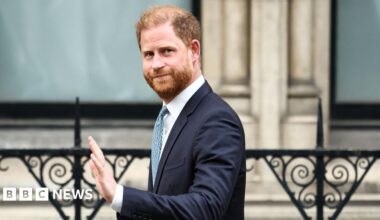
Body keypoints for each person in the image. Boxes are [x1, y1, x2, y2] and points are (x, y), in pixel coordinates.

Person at [88, 5, 246, 220]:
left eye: (167, 51)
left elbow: (206, 208)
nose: (156, 64)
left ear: (194, 51)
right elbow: (165, 205)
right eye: (148, 54)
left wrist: (120, 195)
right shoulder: (168, 117)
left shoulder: (217, 120)